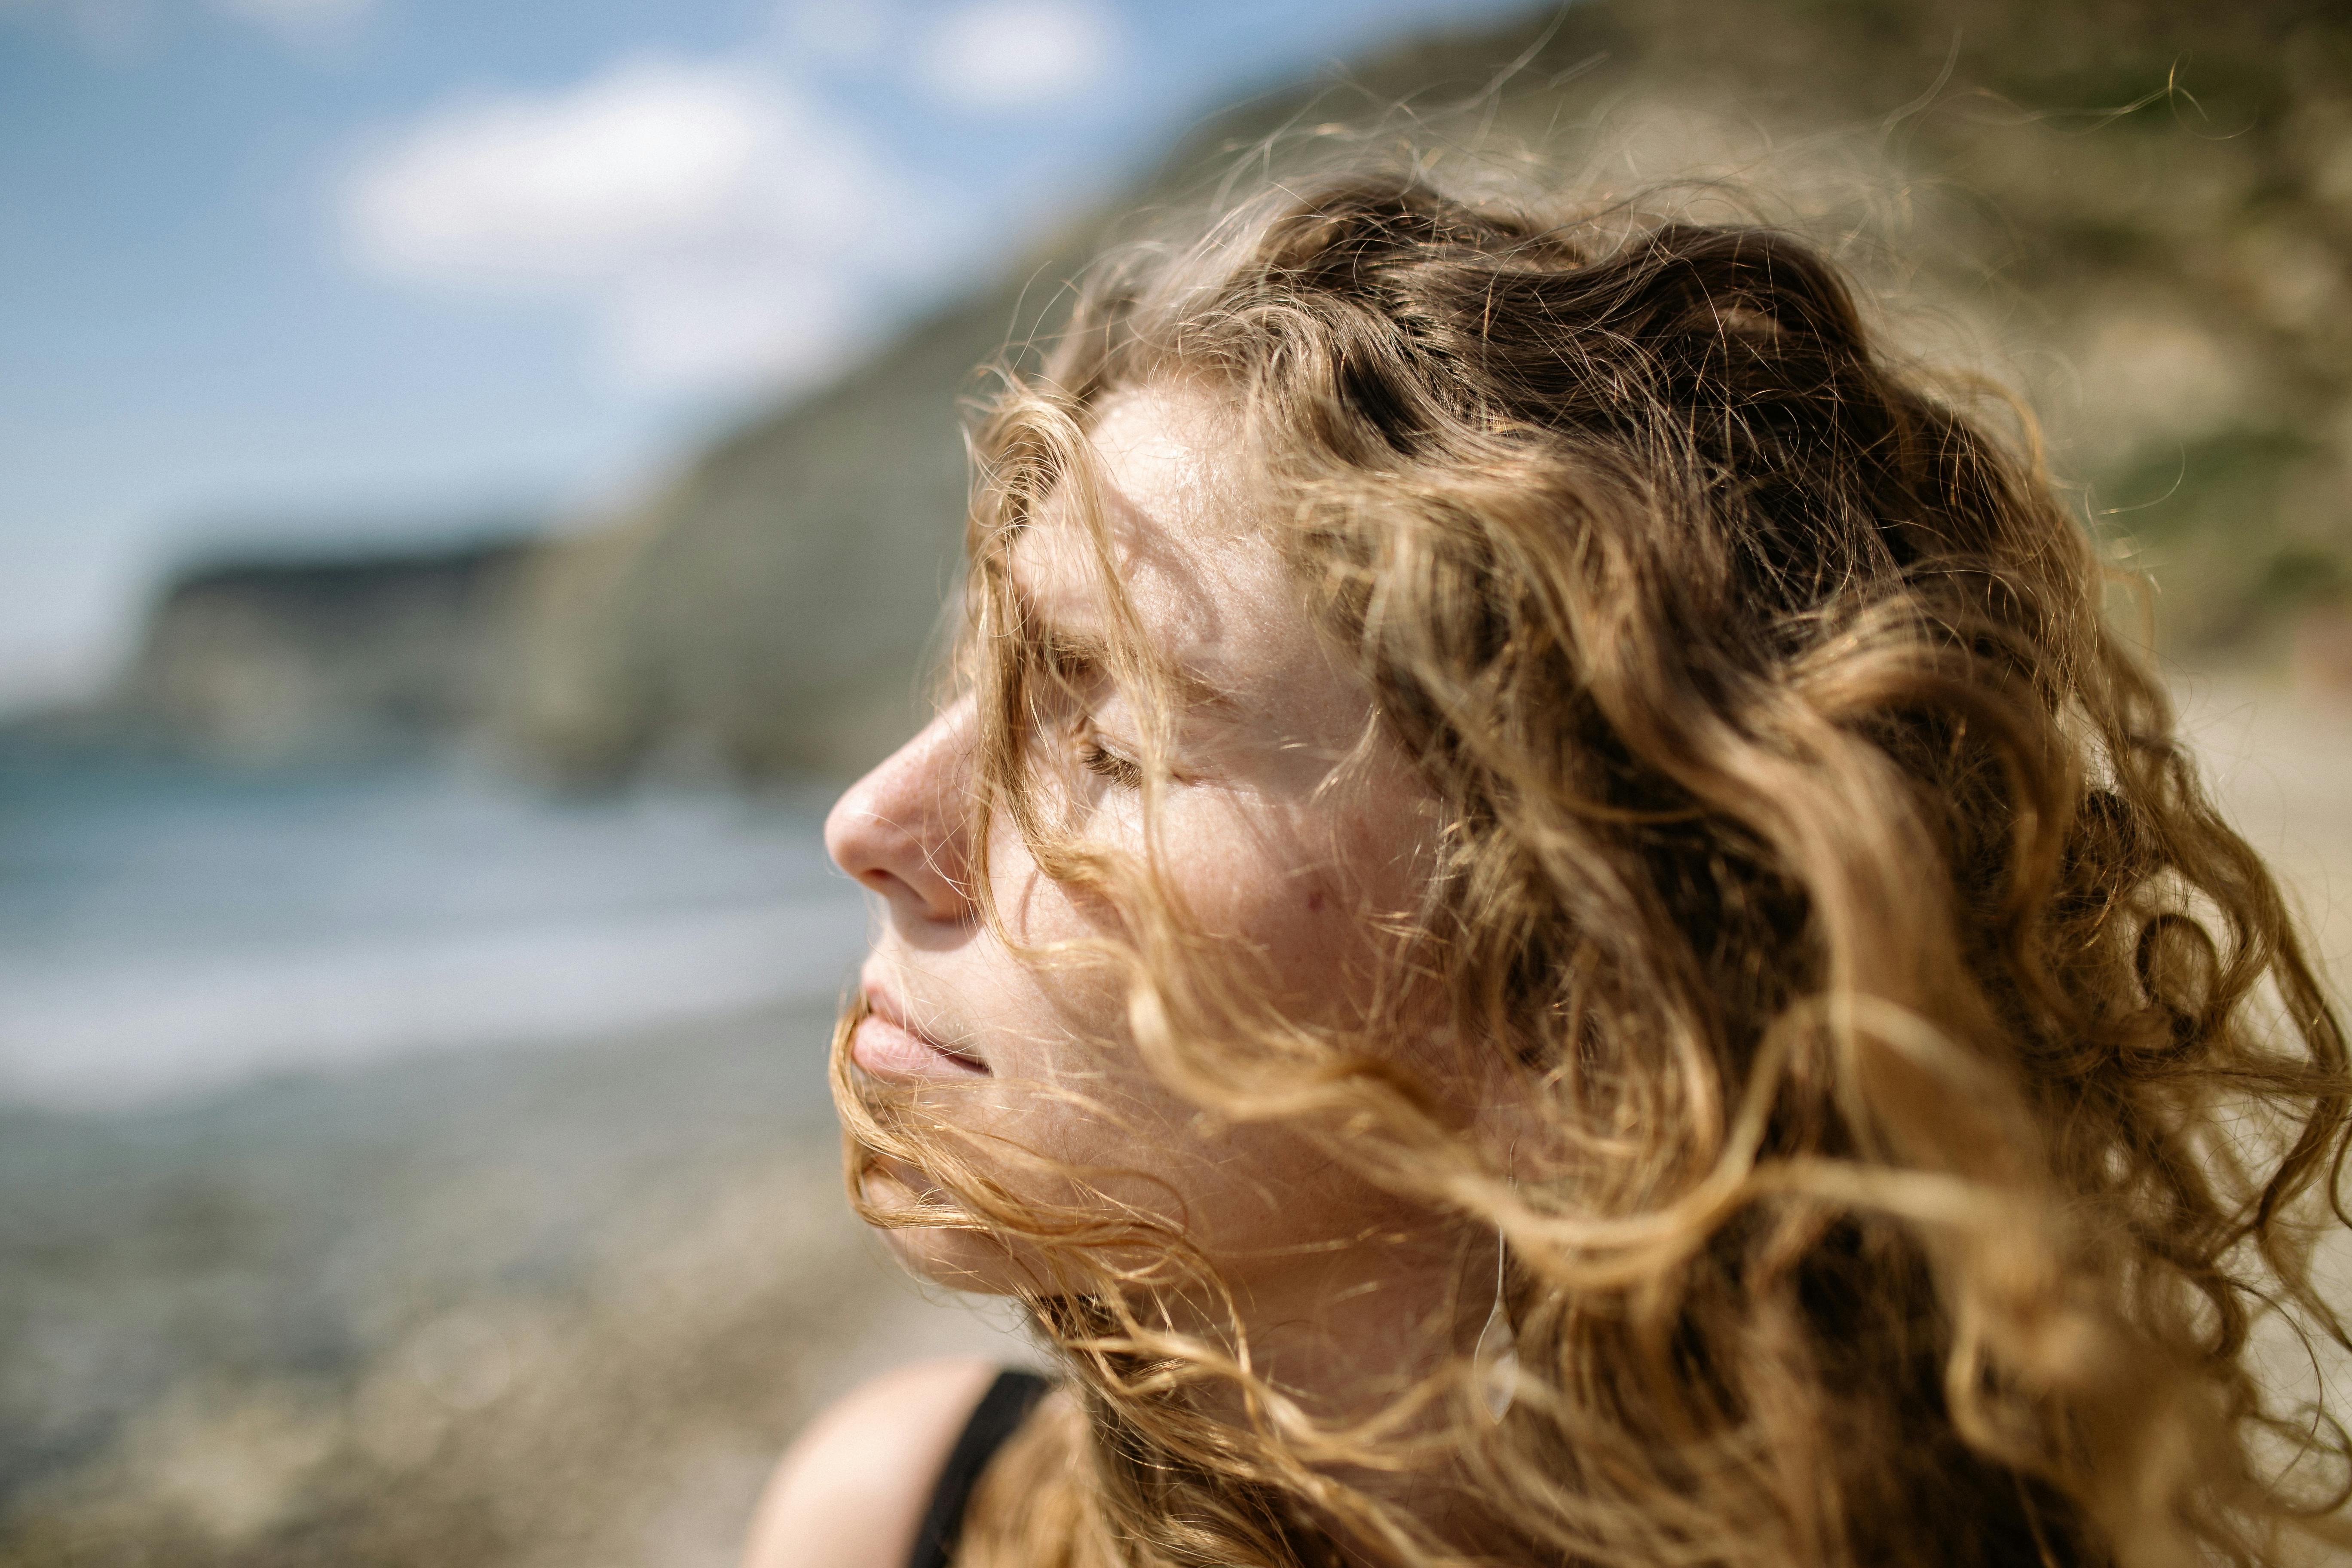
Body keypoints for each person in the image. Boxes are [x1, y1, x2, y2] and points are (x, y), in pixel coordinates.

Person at [742, 161, 2352, 1568]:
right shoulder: (898, 1521)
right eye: (999, 679)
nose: (874, 823)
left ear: (1582, 980)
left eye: (1109, 740)